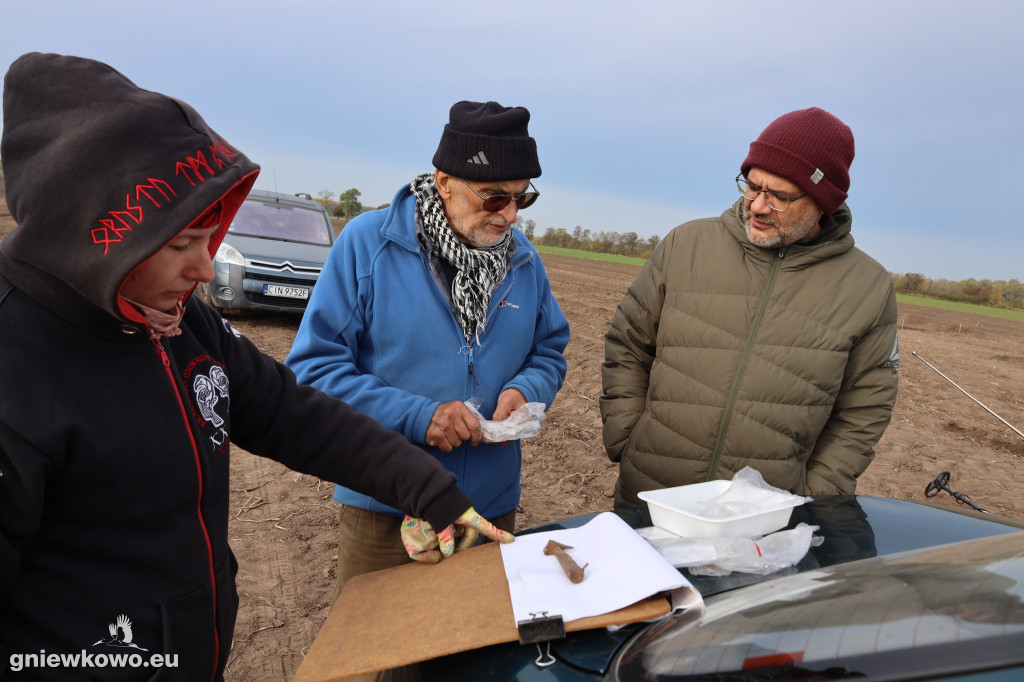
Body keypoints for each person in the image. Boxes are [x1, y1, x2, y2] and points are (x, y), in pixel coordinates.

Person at [0, 52, 510, 681]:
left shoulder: (183, 323)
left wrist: (430, 492)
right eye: (182, 244)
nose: (207, 269)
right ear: (94, 237)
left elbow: (290, 413)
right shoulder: (17, 361)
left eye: (209, 239)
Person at [286, 100, 570, 592]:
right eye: (494, 197)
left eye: (523, 199)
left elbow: (548, 351)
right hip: (388, 502)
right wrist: (419, 417)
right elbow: (313, 369)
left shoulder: (525, 264)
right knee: (377, 658)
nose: (510, 216)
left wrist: (526, 389)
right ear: (443, 181)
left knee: (476, 656)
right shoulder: (366, 245)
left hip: (488, 506)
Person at [601, 107, 899, 508]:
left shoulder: (868, 287)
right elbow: (628, 346)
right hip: (651, 495)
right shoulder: (685, 245)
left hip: (765, 519)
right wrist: (626, 437)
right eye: (752, 186)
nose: (757, 206)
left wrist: (815, 496)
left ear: (823, 200)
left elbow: (864, 410)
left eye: (779, 196)